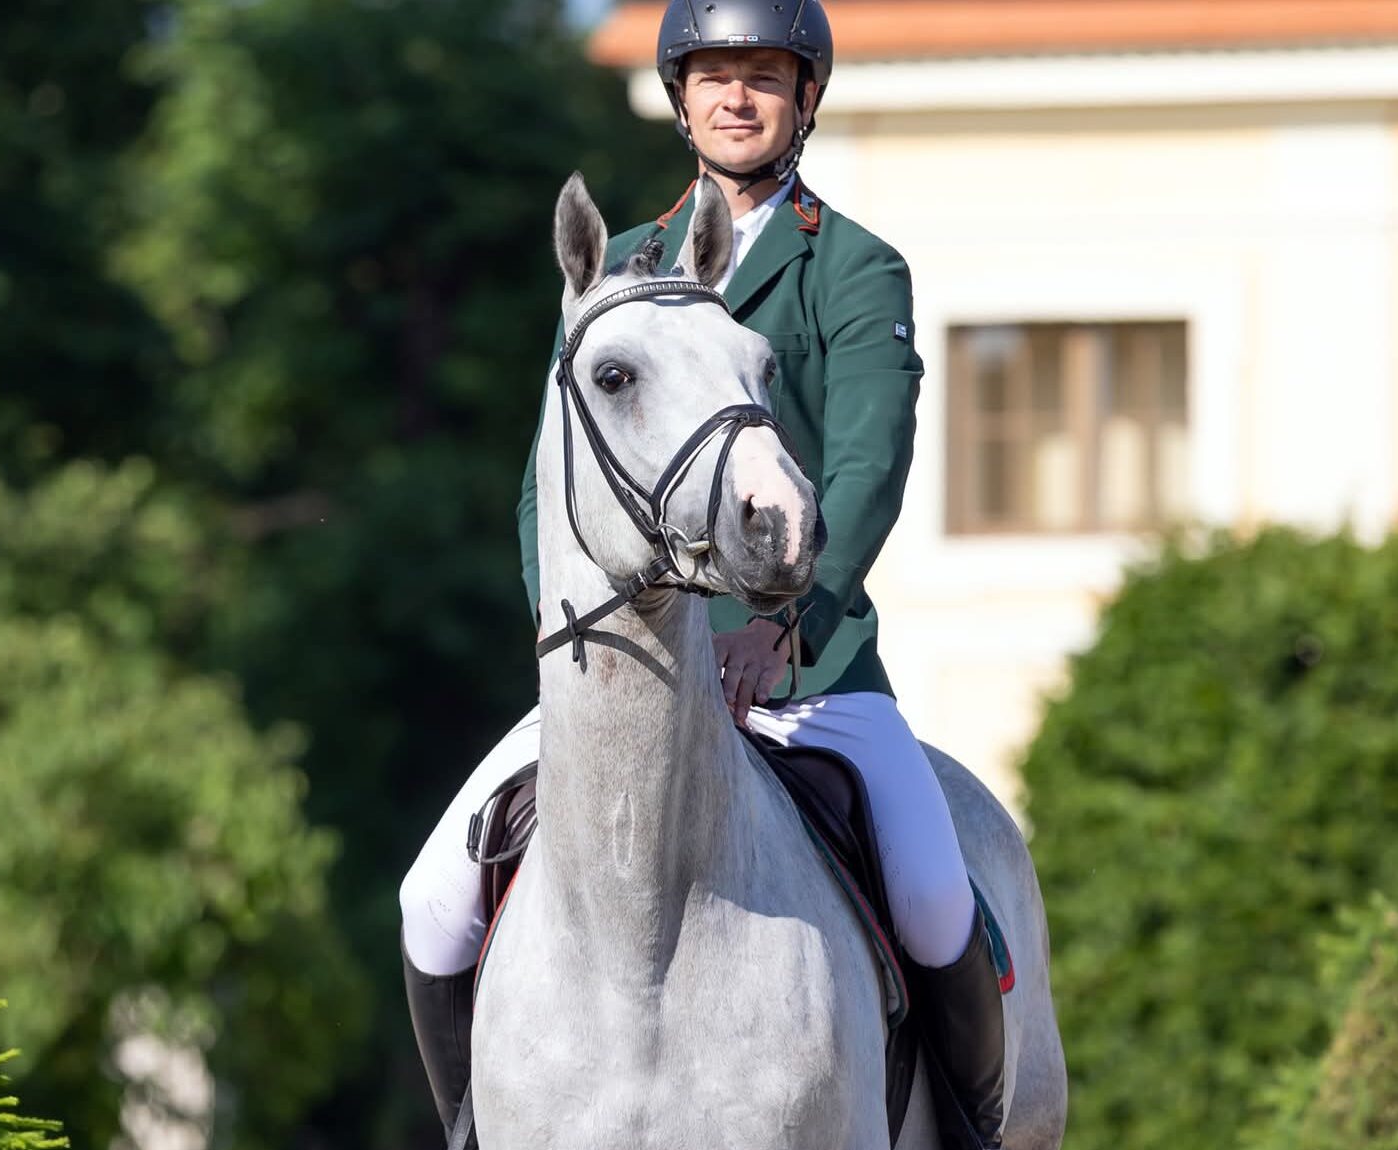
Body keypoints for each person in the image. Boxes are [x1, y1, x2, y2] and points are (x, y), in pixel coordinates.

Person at [397, 1, 1006, 1145]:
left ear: (803, 98)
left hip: (806, 670)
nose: (737, 97)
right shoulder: (614, 269)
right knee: (430, 903)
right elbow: (549, 480)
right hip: (620, 670)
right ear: (680, 98)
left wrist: (781, 625)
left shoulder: (855, 269)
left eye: (763, 76)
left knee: (932, 897)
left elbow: (869, 464)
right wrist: (569, 640)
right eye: (715, 76)